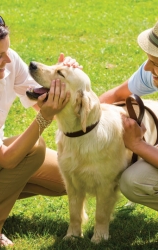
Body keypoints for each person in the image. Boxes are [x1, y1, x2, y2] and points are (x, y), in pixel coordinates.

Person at [0, 12, 81, 246]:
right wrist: (44, 118)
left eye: (7, 52)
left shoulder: (8, 61)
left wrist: (62, 78)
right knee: (32, 149)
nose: (8, 60)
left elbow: (39, 99)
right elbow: (7, 159)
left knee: (69, 177)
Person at [99, 21, 158, 211]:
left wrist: (137, 145)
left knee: (135, 180)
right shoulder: (153, 71)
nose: (148, 68)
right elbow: (117, 95)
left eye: (156, 62)